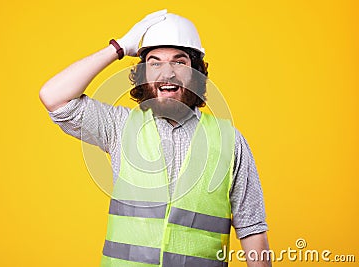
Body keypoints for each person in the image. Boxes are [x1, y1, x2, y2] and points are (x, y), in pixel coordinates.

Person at [40, 10, 271, 267]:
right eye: (155, 62)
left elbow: (253, 230)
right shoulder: (119, 126)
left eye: (179, 62)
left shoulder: (230, 141)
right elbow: (53, 97)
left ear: (196, 73)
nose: (167, 73)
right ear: (143, 75)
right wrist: (118, 48)